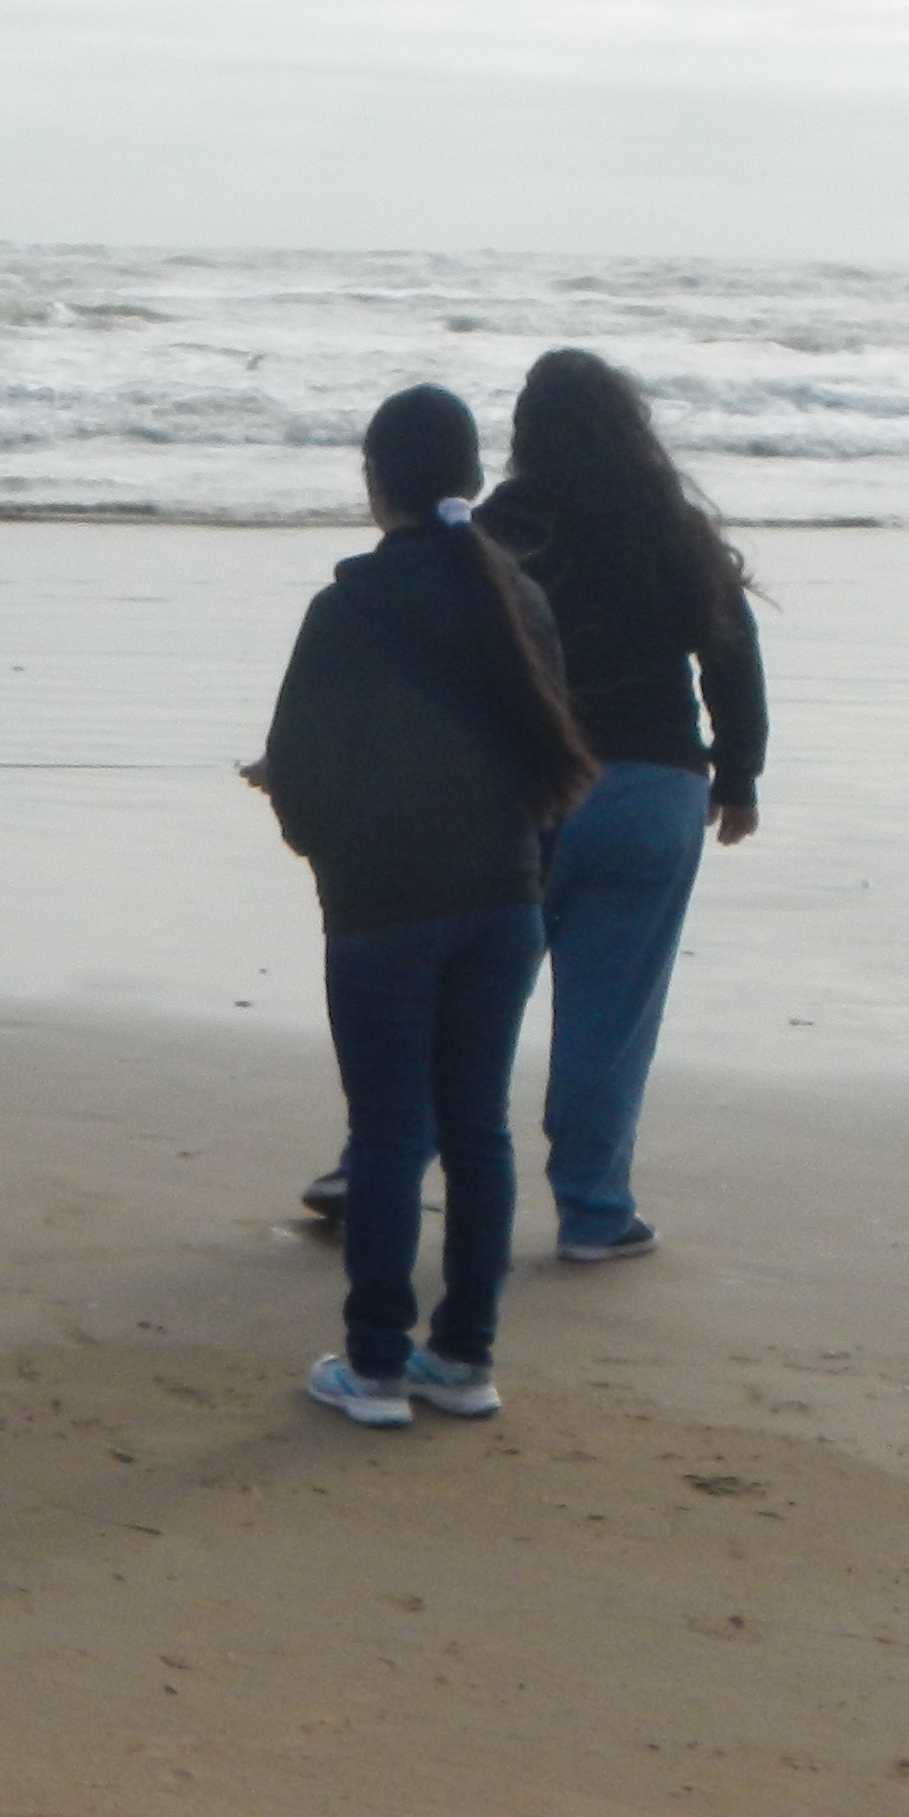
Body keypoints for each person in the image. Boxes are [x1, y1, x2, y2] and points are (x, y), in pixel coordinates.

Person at [251, 385, 597, 1429]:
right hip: (503, 899)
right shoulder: (517, 597)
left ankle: (374, 1365)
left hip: (386, 906)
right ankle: (464, 1356)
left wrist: (318, 836)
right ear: (472, 478)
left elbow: (306, 770)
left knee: (393, 1132)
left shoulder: (350, 605)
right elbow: (553, 756)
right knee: (475, 1130)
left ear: (375, 483)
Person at [472, 348, 767, 1262]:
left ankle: (405, 1173)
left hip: (528, 789)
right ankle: (596, 1215)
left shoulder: (504, 527)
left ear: (526, 432)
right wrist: (739, 777)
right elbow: (732, 655)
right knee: (611, 1014)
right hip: (654, 790)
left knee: (477, 1004)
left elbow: (459, 653)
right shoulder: (668, 528)